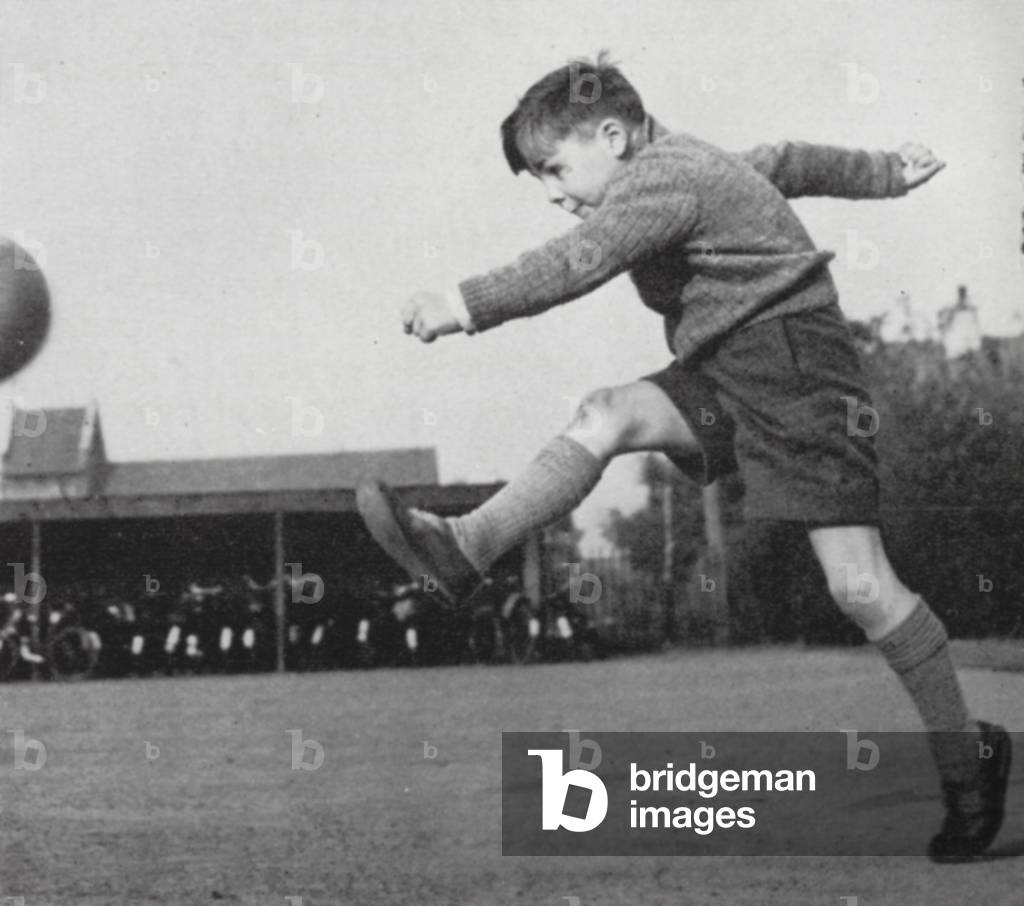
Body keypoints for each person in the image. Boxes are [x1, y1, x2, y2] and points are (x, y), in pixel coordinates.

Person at [356, 52, 1010, 862]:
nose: (556, 194)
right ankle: (468, 546)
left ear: (613, 134)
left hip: (801, 375)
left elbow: (575, 263)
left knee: (862, 586)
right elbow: (788, 161)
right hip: (726, 368)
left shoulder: (664, 182)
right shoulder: (689, 162)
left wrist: (461, 303)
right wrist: (884, 171)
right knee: (607, 415)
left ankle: (965, 754)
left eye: (557, 170)